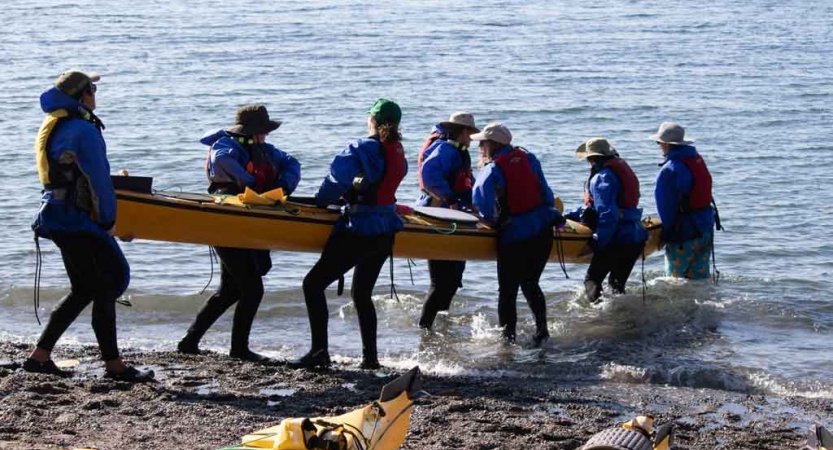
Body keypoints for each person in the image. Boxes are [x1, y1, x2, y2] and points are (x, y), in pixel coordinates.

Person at [27, 70, 154, 382]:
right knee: (108, 283)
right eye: (92, 89)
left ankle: (39, 357)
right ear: (82, 96)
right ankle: (114, 366)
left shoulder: (57, 124)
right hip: (76, 221)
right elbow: (98, 182)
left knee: (84, 289)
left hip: (55, 217)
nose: (96, 94)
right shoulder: (84, 130)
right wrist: (109, 221)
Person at [288, 99, 407, 370]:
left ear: (373, 121)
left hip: (361, 229)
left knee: (313, 284)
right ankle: (370, 359)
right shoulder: (397, 150)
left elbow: (335, 180)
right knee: (362, 293)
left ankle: (319, 351)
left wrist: (321, 201)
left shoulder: (362, 147)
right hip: (387, 230)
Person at [177, 104, 301, 362]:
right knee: (252, 289)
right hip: (225, 219)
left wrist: (283, 185)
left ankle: (189, 341)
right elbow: (221, 160)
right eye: (263, 131)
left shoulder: (266, 150)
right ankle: (239, 349)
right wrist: (250, 181)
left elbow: (292, 162)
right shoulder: (226, 144)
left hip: (247, 220)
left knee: (231, 290)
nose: (265, 136)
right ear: (252, 131)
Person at [471, 123, 564, 347]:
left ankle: (508, 342)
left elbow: (480, 200)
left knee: (508, 292)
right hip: (543, 230)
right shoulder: (529, 158)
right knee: (531, 283)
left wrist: (492, 222)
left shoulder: (492, 168)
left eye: (483, 143)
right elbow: (546, 194)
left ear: (493, 145)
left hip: (515, 236)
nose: (480, 146)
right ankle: (542, 331)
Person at [415, 112, 479, 329]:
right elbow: (429, 173)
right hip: (439, 217)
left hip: (454, 216)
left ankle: (440, 329)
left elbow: (467, 183)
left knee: (451, 281)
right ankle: (425, 329)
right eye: (470, 134)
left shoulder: (458, 153)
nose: (471, 139)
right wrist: (450, 198)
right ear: (462, 132)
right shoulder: (446, 150)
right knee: (440, 282)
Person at [566, 138, 648, 303]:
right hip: (636, 237)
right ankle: (623, 320)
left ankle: (599, 320)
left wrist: (597, 241)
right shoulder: (621, 171)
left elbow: (607, 215)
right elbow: (607, 208)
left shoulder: (602, 178)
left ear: (592, 158)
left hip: (617, 239)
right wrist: (571, 215)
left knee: (592, 280)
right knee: (616, 286)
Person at [651, 122, 718, 279]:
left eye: (659, 143)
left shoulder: (669, 169)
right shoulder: (696, 160)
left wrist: (666, 235)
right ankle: (703, 304)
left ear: (667, 145)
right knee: (699, 281)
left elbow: (665, 207)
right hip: (705, 228)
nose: (659, 146)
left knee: (674, 283)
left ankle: (678, 305)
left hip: (684, 235)